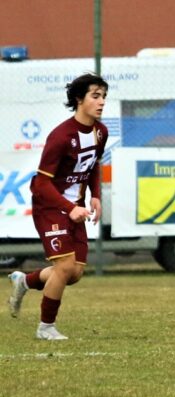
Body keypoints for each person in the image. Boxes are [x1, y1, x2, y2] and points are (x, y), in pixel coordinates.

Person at [8, 73, 109, 340]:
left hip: (74, 207)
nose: (101, 102)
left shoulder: (101, 132)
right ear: (79, 99)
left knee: (73, 273)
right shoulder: (61, 137)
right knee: (64, 268)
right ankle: (46, 328)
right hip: (50, 206)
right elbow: (41, 184)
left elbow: (93, 165)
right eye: (95, 96)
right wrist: (69, 206)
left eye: (104, 97)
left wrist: (95, 196)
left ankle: (25, 282)